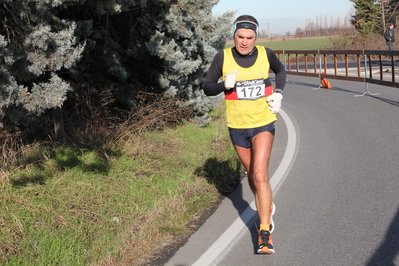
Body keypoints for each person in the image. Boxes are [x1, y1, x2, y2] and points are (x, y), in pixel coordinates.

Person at [202, 15, 286, 254]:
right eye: (240, 37)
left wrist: (278, 93)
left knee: (260, 174)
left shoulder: (265, 53)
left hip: (263, 122)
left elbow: (281, 71)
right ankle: (266, 205)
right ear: (234, 35)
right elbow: (207, 87)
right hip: (237, 127)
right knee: (252, 175)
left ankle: (264, 233)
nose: (245, 42)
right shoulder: (223, 57)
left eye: (250, 37)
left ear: (255, 37)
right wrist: (223, 86)